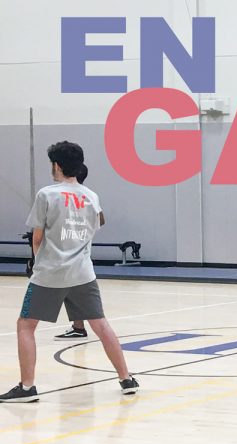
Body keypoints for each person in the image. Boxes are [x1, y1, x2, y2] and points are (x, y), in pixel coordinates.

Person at [1, 141, 139, 403]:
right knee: (100, 324)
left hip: (49, 273)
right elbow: (92, 228)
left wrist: (35, 263)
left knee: (25, 325)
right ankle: (126, 378)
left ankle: (27, 387)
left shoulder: (47, 194)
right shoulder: (91, 196)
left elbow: (38, 237)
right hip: (83, 273)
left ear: (57, 165)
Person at [55, 164, 102, 340]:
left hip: (69, 255)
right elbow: (100, 221)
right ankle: (78, 326)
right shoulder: (89, 196)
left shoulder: (60, 197)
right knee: (73, 292)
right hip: (78, 256)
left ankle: (81, 327)